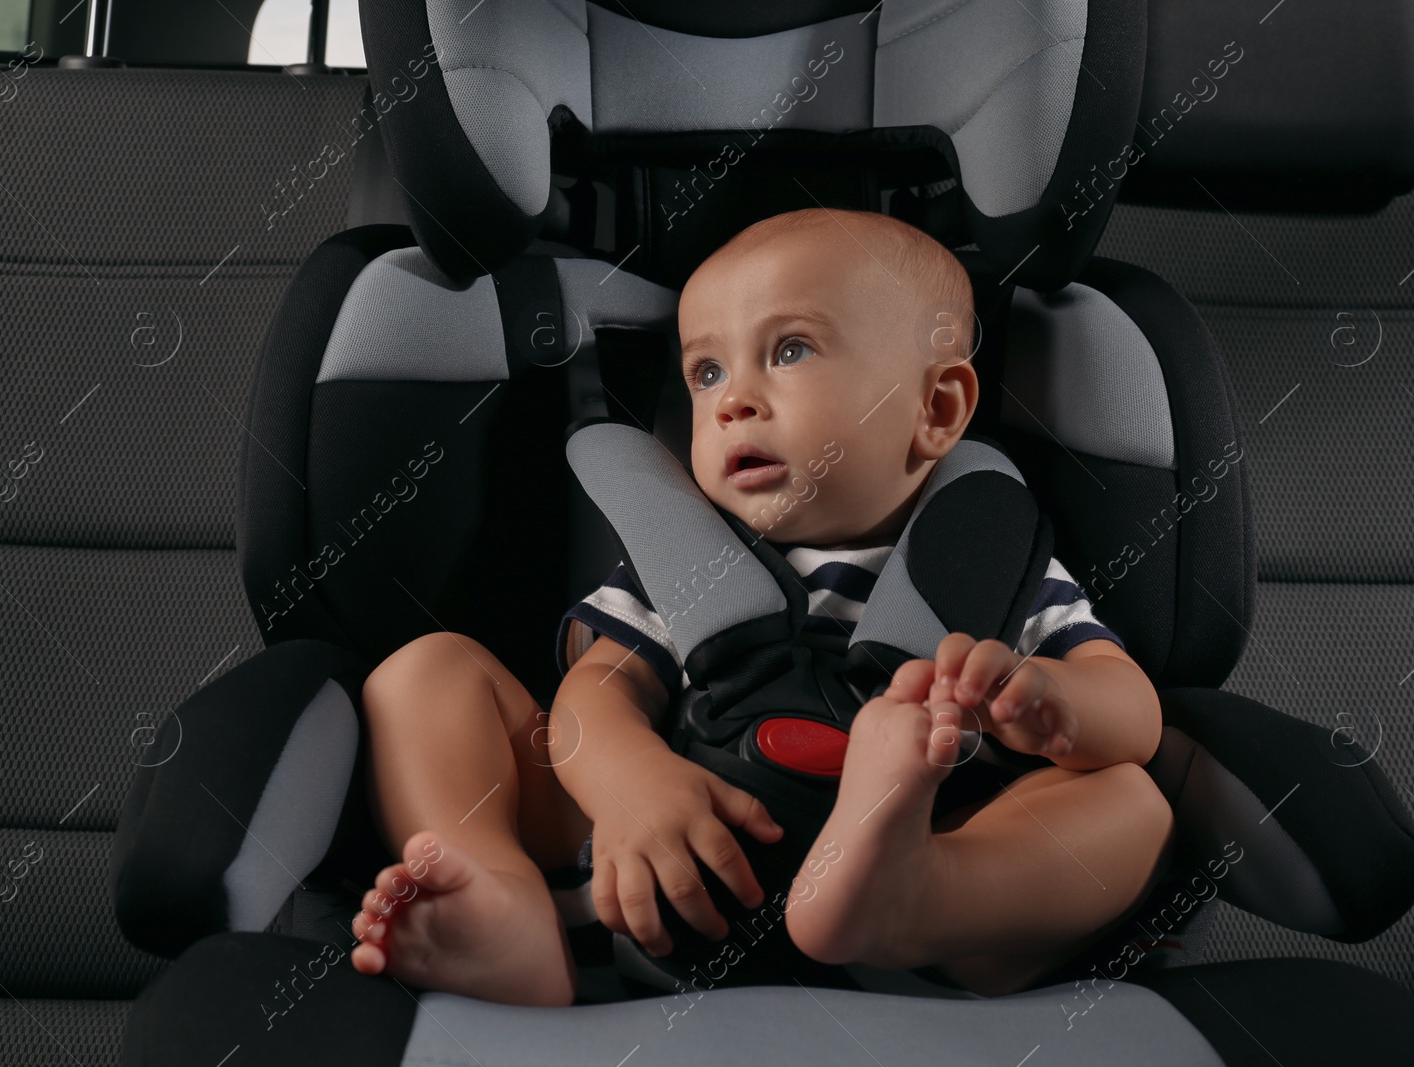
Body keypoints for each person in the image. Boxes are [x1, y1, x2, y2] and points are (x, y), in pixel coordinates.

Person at [347, 207, 1175, 1006]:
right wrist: (632, 781)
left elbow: (1133, 709)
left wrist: (1057, 705)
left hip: (925, 894)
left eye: (790, 349)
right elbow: (597, 692)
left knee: (1131, 801)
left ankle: (916, 897)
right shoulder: (688, 557)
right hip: (656, 873)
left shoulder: (996, 567)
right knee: (427, 671)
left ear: (936, 409)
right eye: (706, 372)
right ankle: (505, 902)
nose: (732, 398)